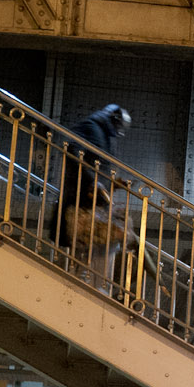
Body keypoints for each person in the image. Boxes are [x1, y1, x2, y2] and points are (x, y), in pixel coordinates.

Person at [58, 104, 137, 272]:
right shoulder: (92, 127)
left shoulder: (103, 133)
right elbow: (72, 149)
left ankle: (92, 283)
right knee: (86, 246)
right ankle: (82, 282)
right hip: (82, 200)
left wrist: (114, 183)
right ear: (114, 120)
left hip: (95, 200)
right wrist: (91, 181)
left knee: (98, 246)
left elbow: (100, 167)